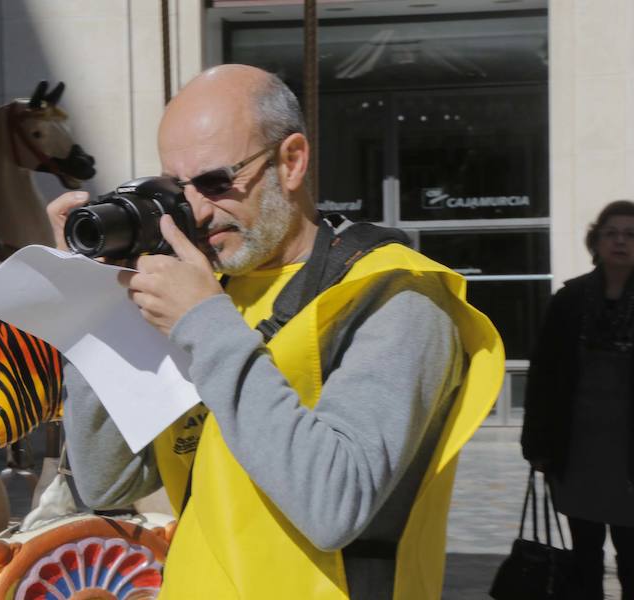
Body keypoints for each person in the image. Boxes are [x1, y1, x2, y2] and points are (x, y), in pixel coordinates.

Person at [47, 64, 504, 599]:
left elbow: (335, 505)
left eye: (217, 182)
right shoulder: (204, 292)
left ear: (291, 161)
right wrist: (94, 311)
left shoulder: (396, 296)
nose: (196, 209)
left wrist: (203, 323)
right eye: (179, 187)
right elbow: (110, 482)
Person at [522, 200, 634, 600]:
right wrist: (537, 446)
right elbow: (543, 377)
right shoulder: (569, 300)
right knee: (584, 554)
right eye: (612, 233)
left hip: (631, 458)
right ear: (597, 241)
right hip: (579, 453)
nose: (620, 241)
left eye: (631, 234)